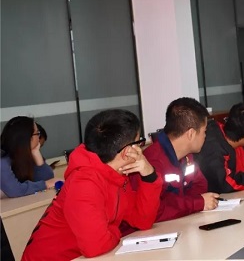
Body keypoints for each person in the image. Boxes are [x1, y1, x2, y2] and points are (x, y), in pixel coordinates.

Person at [22, 110, 162, 260]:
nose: (141, 148)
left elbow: (142, 220)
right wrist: (114, 232)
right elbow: (96, 246)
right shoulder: (84, 183)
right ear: (127, 151)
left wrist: (149, 175)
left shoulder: (115, 173)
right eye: (139, 142)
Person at [139, 97, 219, 223]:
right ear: (191, 134)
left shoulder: (187, 155)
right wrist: (196, 203)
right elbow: (155, 210)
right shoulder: (152, 162)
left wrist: (192, 204)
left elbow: (199, 185)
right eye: (204, 131)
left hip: (182, 223)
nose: (205, 136)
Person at [0, 116, 56, 198]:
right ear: (27, 138)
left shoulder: (22, 157)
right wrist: (45, 184)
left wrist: (36, 153)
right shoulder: (2, 161)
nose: (39, 138)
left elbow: (48, 178)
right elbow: (15, 190)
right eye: (37, 133)